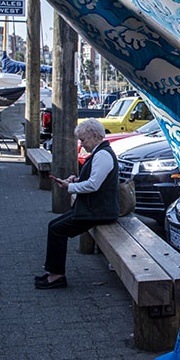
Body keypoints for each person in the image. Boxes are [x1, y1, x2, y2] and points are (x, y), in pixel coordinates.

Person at [35, 119, 119, 289]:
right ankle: (54, 273)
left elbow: (93, 185)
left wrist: (70, 186)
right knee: (54, 225)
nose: (81, 144)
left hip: (98, 211)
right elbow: (94, 181)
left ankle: (56, 276)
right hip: (94, 208)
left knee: (57, 229)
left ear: (95, 136)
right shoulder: (100, 153)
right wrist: (77, 180)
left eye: (83, 140)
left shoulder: (102, 155)